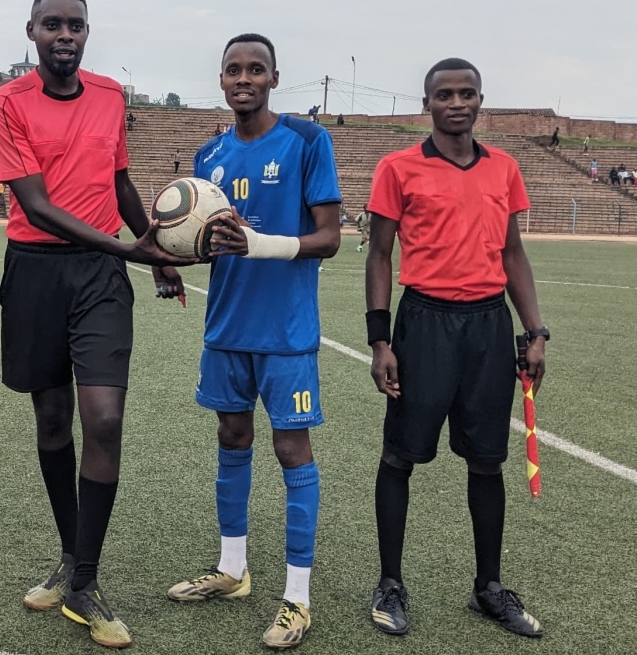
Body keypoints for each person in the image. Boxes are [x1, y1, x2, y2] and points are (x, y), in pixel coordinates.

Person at [0, 0, 189, 650]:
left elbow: (119, 180)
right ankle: (71, 559)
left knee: (103, 418)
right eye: (52, 25)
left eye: (75, 25)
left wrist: (151, 249)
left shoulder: (110, 96)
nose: (64, 35)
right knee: (51, 422)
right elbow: (37, 205)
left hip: (101, 278)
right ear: (32, 31)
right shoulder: (4, 103)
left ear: (86, 32)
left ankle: (86, 581)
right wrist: (128, 248)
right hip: (37, 270)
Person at [165, 33, 340, 650]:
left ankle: (297, 599)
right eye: (233, 70)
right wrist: (171, 257)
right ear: (221, 80)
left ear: (272, 77)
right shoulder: (208, 155)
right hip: (226, 331)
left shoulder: (307, 141)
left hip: (286, 333)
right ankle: (232, 570)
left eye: (256, 69)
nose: (244, 78)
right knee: (232, 437)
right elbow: (201, 243)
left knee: (293, 450)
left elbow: (329, 238)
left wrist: (257, 242)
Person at [365, 58, 547, 640]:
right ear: (428, 104)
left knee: (488, 459)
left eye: (467, 93)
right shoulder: (398, 168)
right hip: (425, 323)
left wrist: (534, 331)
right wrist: (380, 339)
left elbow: (513, 255)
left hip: (489, 327)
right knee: (400, 456)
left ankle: (488, 588)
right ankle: (391, 582)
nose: (457, 103)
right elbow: (379, 256)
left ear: (480, 102)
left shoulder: (504, 168)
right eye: (444, 94)